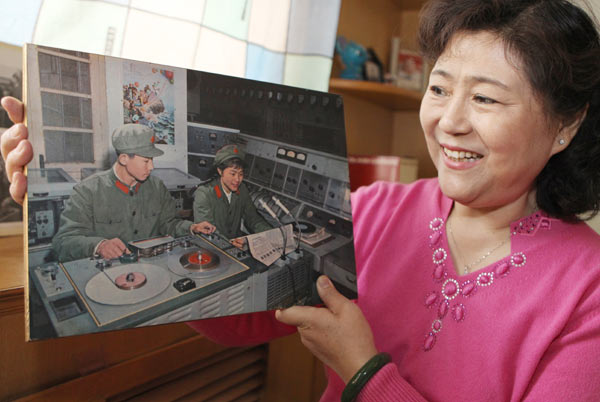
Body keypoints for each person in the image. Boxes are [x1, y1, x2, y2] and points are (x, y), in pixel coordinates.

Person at [3, 0, 600, 399]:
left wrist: (365, 373)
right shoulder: (375, 211)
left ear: (565, 125)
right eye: (439, 88)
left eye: (487, 100)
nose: (449, 121)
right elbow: (258, 317)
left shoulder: (587, 289)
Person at [49, 124, 211, 262]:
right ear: (124, 159)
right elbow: (62, 242)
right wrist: (99, 246)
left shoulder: (156, 187)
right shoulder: (88, 191)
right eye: (146, 161)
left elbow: (169, 224)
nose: (151, 167)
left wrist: (192, 227)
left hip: (153, 268)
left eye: (152, 161)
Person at [193, 144, 271, 248]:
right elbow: (208, 232)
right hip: (214, 248)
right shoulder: (204, 193)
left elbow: (253, 218)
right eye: (233, 174)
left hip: (236, 245)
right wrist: (231, 246)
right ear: (220, 171)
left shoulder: (242, 189)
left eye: (241, 174)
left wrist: (271, 234)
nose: (237, 179)